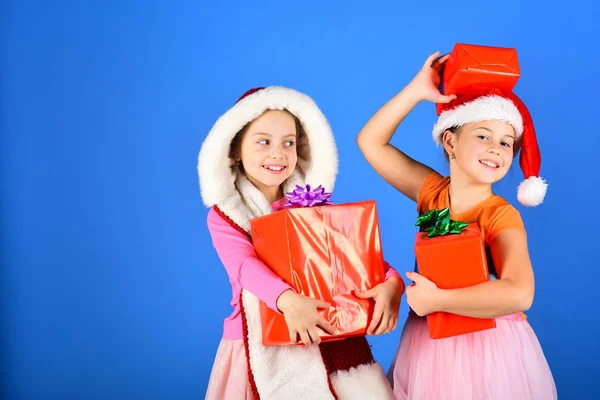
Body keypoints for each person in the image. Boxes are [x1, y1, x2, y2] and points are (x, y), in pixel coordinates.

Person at [356, 52, 557, 399]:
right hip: (428, 345)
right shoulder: (431, 192)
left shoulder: (499, 214)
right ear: (450, 141)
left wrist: (438, 299)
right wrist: (416, 91)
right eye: (483, 136)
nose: (496, 149)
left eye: (506, 143)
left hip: (489, 349)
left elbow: (520, 292)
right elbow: (370, 142)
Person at [199, 86, 403, 399]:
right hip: (257, 342)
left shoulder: (315, 207)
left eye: (289, 143)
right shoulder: (225, 215)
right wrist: (288, 301)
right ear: (236, 150)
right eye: (263, 142)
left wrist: (392, 283)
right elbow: (243, 266)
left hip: (330, 337)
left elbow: (356, 257)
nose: (278, 153)